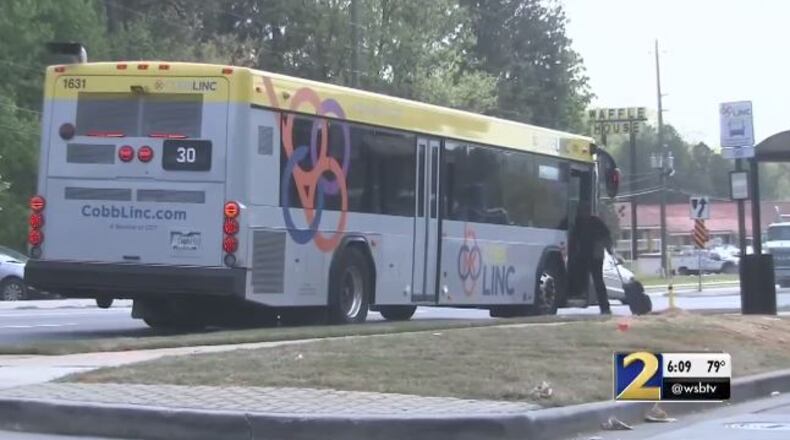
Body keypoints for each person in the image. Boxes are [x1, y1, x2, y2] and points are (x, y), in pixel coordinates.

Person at [569, 202, 614, 315]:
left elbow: (606, 235)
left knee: (598, 281)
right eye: (581, 211)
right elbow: (574, 239)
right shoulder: (578, 223)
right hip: (583, 255)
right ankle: (579, 295)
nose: (583, 214)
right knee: (580, 276)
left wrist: (608, 247)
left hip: (595, 256)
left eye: (585, 211)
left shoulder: (596, 222)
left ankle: (605, 307)